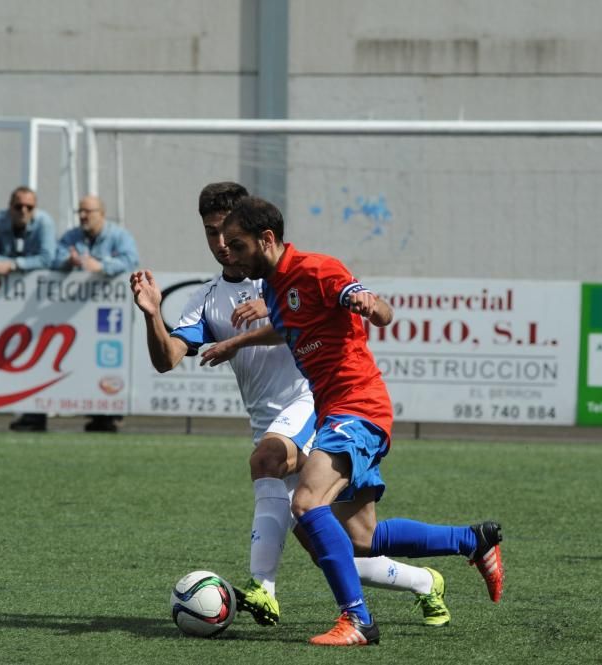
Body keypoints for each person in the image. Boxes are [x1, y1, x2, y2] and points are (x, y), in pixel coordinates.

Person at [130, 182, 451, 630]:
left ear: (253, 233)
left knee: (266, 459)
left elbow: (331, 307)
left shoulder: (279, 275)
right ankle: (424, 581)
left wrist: (272, 310)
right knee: (337, 548)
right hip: (269, 421)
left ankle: (264, 587)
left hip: (311, 406)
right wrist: (151, 313)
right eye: (210, 234)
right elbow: (167, 359)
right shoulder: (205, 299)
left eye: (228, 233)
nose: (222, 245)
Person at [218, 196, 504, 646]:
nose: (227, 254)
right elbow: (291, 325)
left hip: (358, 405)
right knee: (364, 538)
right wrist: (238, 344)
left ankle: (357, 621)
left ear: (266, 239)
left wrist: (372, 305)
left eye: (235, 245)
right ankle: (472, 540)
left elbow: (377, 308)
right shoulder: (274, 287)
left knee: (308, 503)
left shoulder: (317, 269)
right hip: (338, 409)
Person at [54, 194, 139, 432]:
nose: (82, 216)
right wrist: (67, 263)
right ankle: (95, 412)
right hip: (79, 314)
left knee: (111, 360)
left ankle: (110, 413)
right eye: (80, 211)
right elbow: (55, 258)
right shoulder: (71, 237)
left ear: (101, 214)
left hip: (112, 315)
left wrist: (101, 266)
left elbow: (131, 260)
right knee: (84, 359)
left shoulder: (119, 236)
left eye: (88, 212)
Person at [0, 185, 57, 432]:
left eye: (29, 207)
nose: (23, 211)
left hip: (37, 304)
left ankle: (35, 414)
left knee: (35, 353)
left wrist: (13, 265)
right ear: (9, 206)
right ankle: (16, 408)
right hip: (4, 302)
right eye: (18, 206)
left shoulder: (44, 223)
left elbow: (48, 258)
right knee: (5, 352)